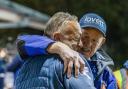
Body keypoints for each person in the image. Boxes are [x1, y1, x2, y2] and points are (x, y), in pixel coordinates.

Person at [16, 13, 117, 89]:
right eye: (83, 37)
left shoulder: (107, 74)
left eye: (95, 41)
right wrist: (58, 47)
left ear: (102, 42)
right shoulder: (69, 60)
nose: (87, 44)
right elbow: (22, 41)